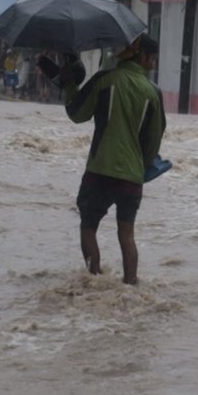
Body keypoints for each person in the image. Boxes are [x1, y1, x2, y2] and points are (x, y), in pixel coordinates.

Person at [62, 34, 165, 284]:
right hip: (131, 176)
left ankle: (94, 281)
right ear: (142, 58)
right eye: (152, 58)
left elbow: (77, 113)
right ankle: (130, 287)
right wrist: (142, 164)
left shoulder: (104, 80)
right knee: (127, 235)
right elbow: (154, 139)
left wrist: (68, 85)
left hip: (99, 171)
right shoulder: (153, 93)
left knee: (88, 226)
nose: (153, 63)